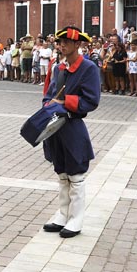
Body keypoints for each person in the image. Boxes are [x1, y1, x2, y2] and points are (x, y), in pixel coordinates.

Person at [38, 27, 100, 238]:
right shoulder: (59, 68)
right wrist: (48, 104)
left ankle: (76, 219)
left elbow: (91, 101)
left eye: (66, 42)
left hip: (73, 125)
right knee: (61, 173)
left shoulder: (89, 68)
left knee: (76, 175)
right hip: (56, 125)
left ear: (77, 44)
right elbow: (49, 93)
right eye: (60, 42)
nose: (62, 45)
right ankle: (62, 214)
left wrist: (64, 102)